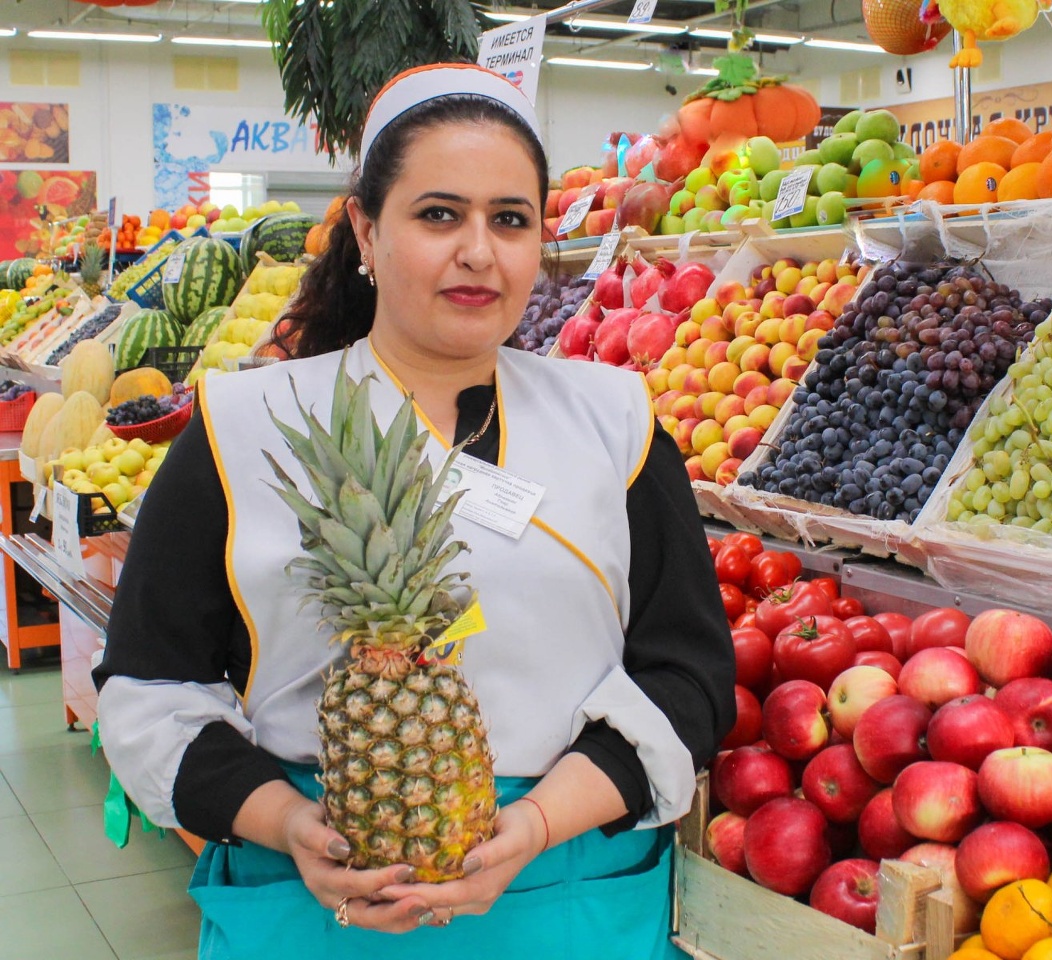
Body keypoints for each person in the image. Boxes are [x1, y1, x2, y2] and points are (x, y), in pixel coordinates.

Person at [93, 63, 735, 959]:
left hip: (568, 890)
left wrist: (543, 821)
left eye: (509, 220)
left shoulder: (615, 417)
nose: (479, 251)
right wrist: (288, 826)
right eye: (439, 214)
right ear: (364, 226)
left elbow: (688, 673)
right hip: (318, 893)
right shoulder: (246, 426)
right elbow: (148, 685)